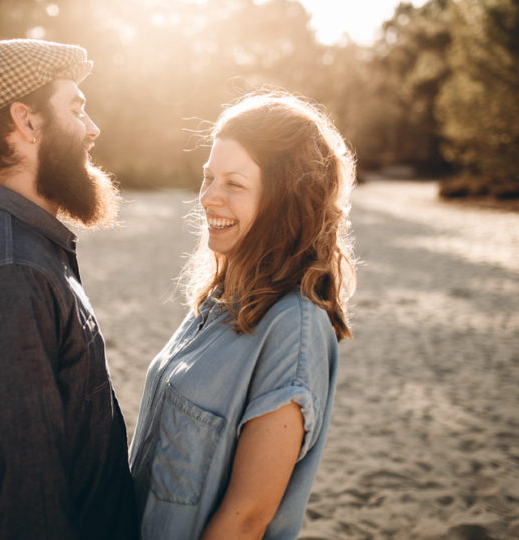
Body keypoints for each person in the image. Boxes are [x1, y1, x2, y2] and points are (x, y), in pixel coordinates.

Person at [0, 39, 138, 539]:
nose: (92, 126)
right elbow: (31, 501)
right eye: (77, 108)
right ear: (27, 122)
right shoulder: (7, 272)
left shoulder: (21, 246)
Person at [129, 90, 356, 539]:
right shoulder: (219, 300)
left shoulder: (295, 327)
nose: (209, 197)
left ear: (285, 201)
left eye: (234, 184)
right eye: (208, 177)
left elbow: (247, 518)